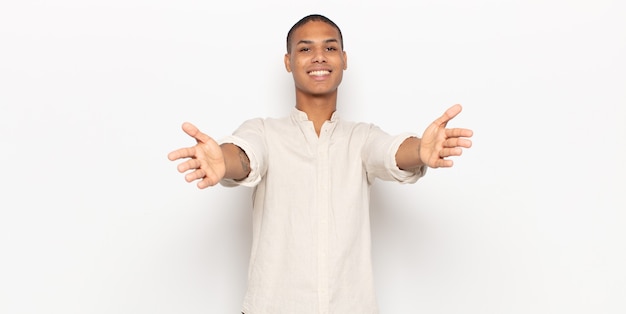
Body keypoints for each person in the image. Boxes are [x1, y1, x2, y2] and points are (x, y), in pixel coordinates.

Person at [168, 14, 473, 314]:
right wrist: (225, 160)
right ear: (288, 62)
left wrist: (420, 149)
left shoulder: (361, 137)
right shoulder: (263, 131)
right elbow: (246, 157)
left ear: (344, 59)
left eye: (329, 48)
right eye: (305, 48)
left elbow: (389, 152)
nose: (319, 57)